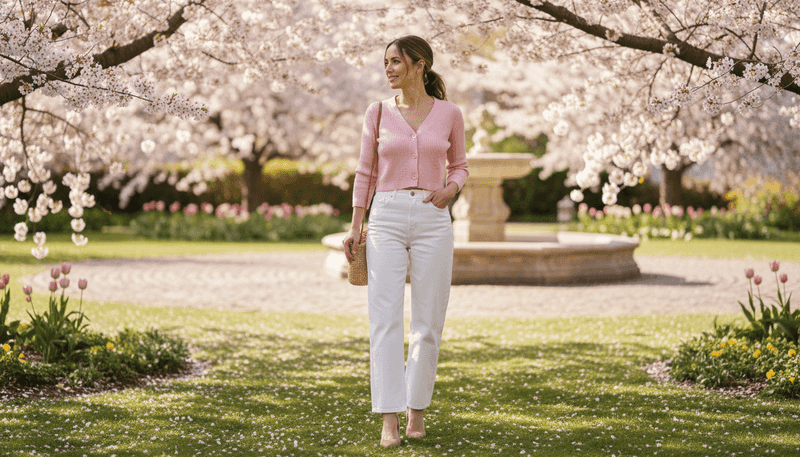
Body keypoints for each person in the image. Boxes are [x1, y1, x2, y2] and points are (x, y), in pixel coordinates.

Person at [342, 35, 469, 447]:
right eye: (386, 62)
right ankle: (389, 418)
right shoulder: (377, 112)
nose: (389, 69)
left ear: (420, 65)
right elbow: (366, 173)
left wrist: (452, 188)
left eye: (396, 61)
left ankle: (417, 410)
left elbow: (461, 165)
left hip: (434, 218)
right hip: (387, 218)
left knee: (429, 321)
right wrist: (355, 225)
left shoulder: (450, 113)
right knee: (385, 319)